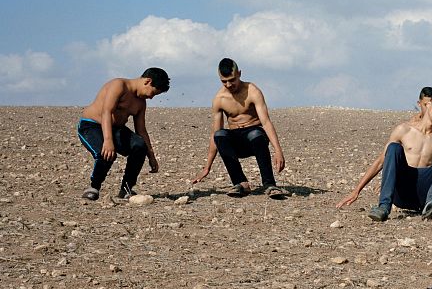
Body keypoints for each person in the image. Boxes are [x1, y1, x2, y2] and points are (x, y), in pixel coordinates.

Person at [336, 95, 432, 222]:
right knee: (393, 147)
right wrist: (356, 191)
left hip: (424, 193)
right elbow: (381, 162)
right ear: (428, 105)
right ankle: (383, 207)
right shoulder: (404, 129)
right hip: (403, 191)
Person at [191, 58, 287, 198]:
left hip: (255, 138)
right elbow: (215, 134)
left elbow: (265, 122)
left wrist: (278, 150)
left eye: (232, 80)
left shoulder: (252, 91)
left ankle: (269, 184)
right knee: (220, 135)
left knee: (256, 133)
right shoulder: (219, 99)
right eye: (224, 81)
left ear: (239, 74)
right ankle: (240, 183)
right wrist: (207, 167)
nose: (229, 84)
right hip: (236, 142)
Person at [77, 68, 170, 200]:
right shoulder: (119, 85)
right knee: (105, 153)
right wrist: (108, 141)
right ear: (147, 81)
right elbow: (106, 112)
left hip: (116, 129)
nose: (151, 97)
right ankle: (94, 187)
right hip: (91, 125)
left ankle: (126, 189)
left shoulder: (140, 103)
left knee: (139, 145)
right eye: (152, 93)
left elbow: (141, 130)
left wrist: (151, 156)